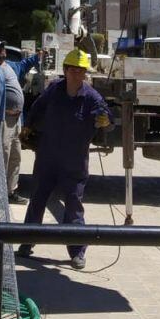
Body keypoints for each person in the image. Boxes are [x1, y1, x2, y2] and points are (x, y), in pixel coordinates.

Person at [16, 48, 112, 270]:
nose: (77, 74)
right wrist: (28, 125)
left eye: (81, 70)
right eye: (73, 70)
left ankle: (78, 252)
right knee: (38, 199)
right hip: (48, 157)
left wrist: (107, 121)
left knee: (73, 206)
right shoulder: (54, 90)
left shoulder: (92, 97)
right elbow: (38, 106)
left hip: (74, 161)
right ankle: (26, 243)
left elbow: (107, 116)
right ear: (66, 70)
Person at [0, 38, 39, 204]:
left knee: (15, 157)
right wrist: (4, 111)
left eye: (3, 46)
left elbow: (25, 64)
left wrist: (39, 56)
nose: (2, 49)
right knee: (2, 156)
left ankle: (10, 192)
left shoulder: (10, 65)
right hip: (4, 120)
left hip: (16, 120)